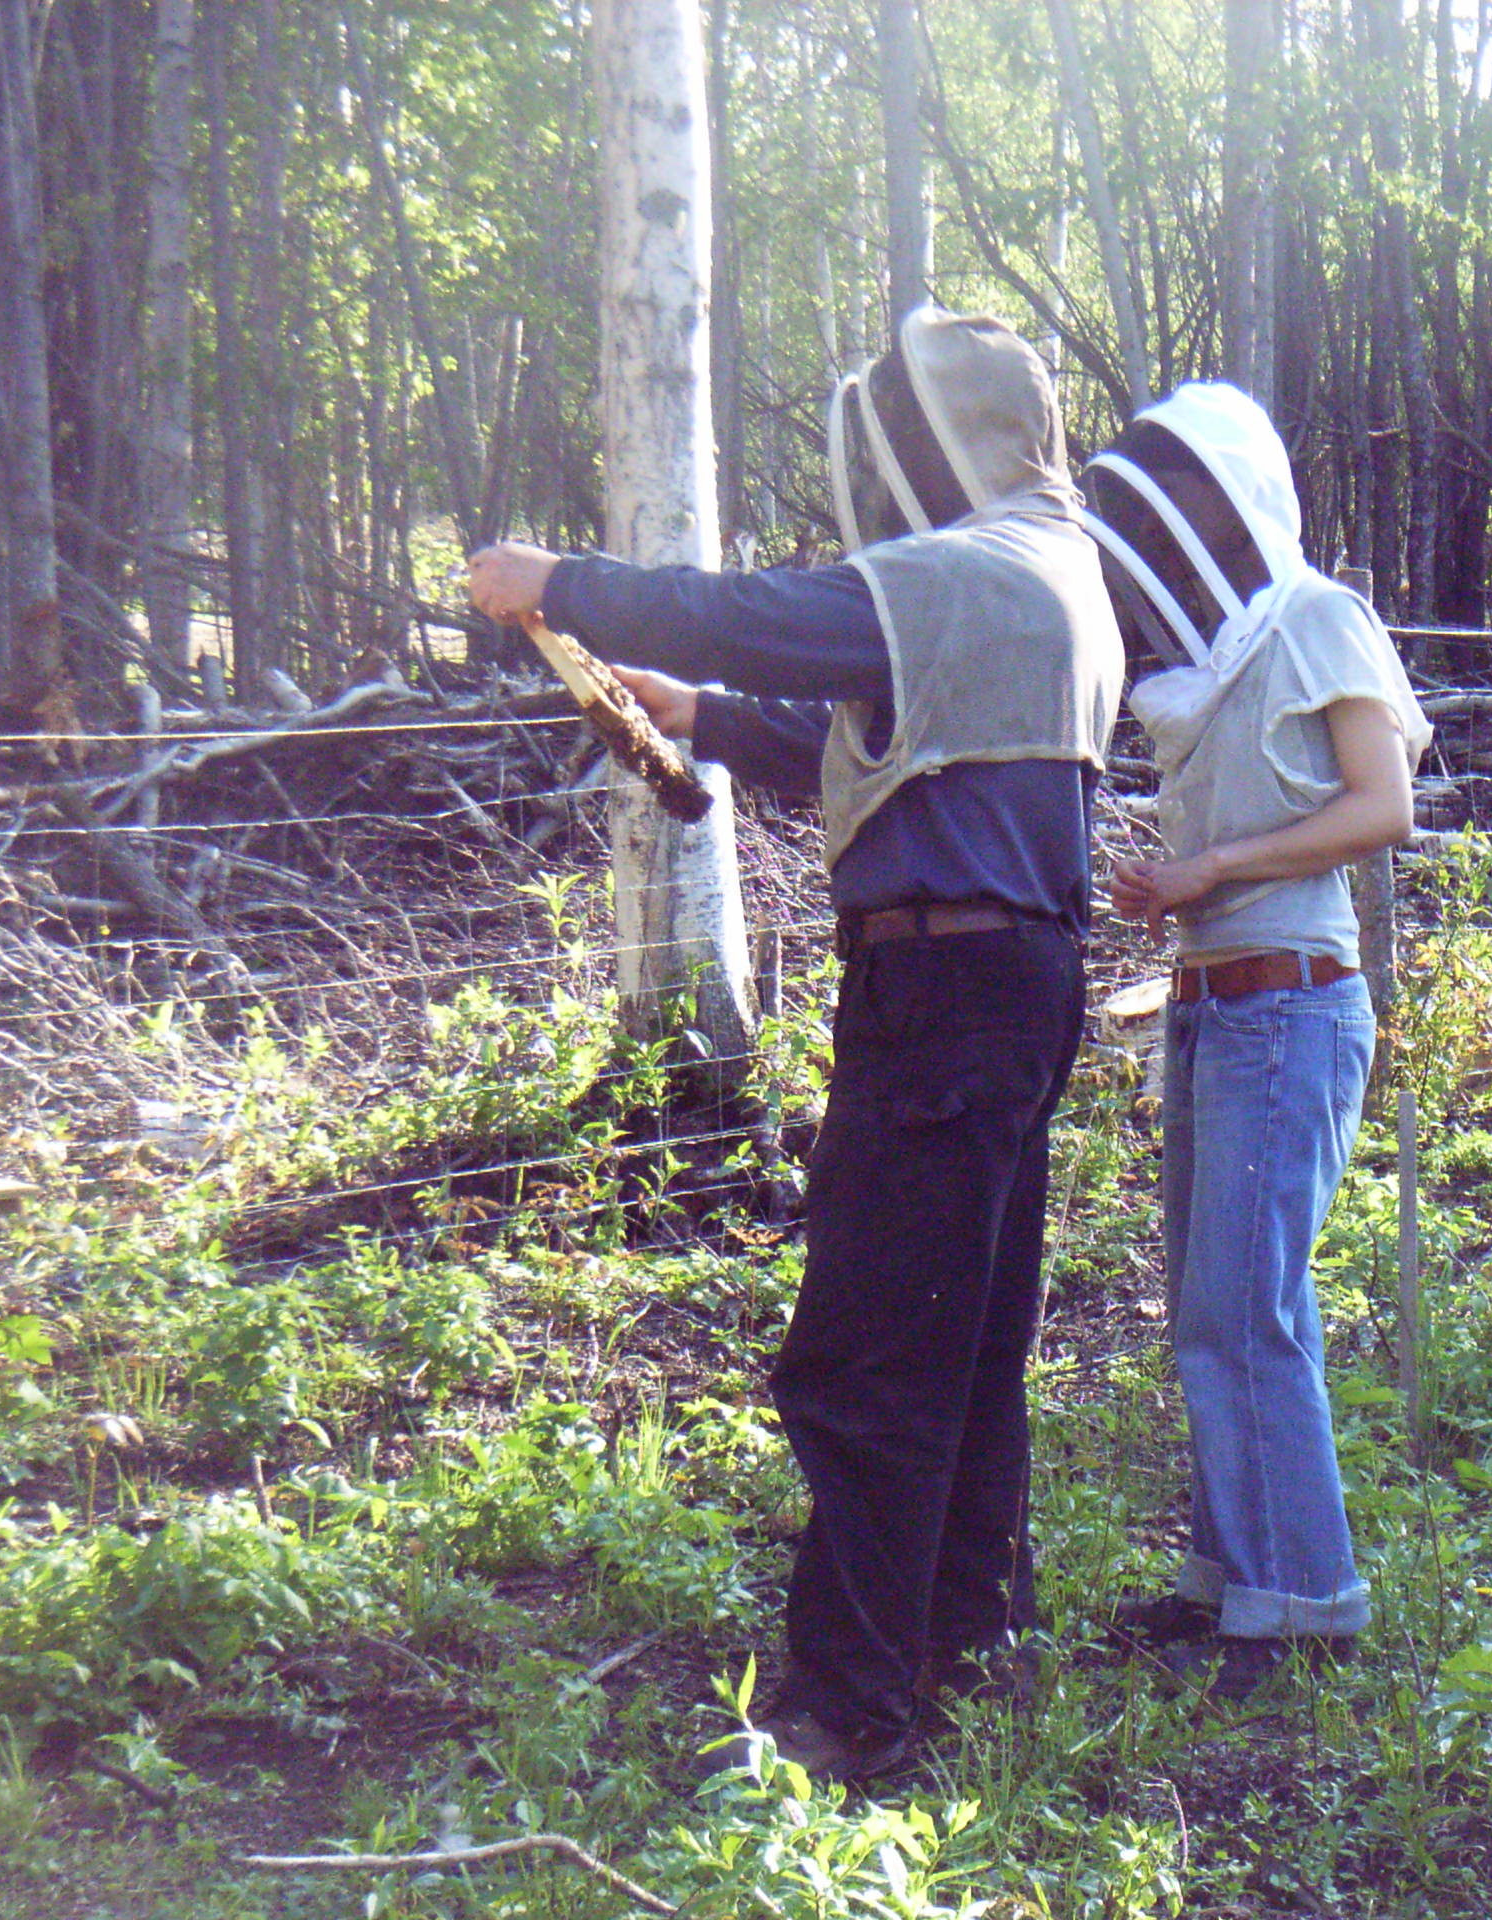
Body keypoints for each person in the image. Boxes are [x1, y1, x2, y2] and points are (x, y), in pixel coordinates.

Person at [467, 306, 1123, 1780]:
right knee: (969, 1334)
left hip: (940, 991)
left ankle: (853, 1709)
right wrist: (700, 717)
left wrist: (559, 584)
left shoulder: (967, 569)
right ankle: (969, 1638)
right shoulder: (1053, 569)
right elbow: (904, 742)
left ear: (929, 441)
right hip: (1013, 981)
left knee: (869, 1353)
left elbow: (757, 616)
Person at [1076, 382, 1430, 1702]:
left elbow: (1382, 806)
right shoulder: (1208, 654)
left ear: (1234, 493)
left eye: (1185, 486)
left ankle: (1304, 1606)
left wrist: (1216, 866)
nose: (1172, 517)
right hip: (1212, 1001)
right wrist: (1175, 887)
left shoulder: (1320, 615)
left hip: (1293, 999)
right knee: (1209, 1305)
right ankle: (1232, 1578)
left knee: (1248, 1306)